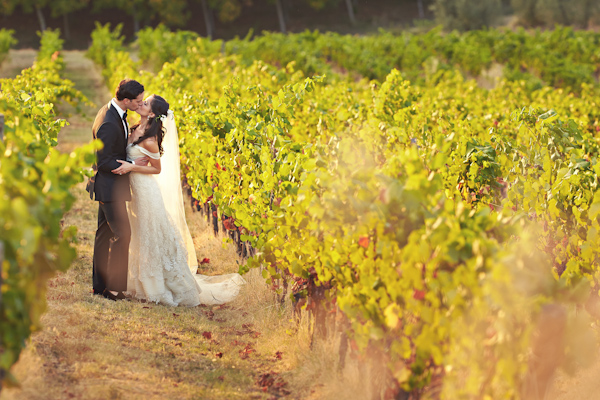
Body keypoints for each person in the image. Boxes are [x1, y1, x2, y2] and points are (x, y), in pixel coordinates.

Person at [111, 94, 244, 306]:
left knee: (151, 234)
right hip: (134, 190)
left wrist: (131, 166)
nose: (141, 103)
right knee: (139, 233)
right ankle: (138, 281)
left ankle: (159, 286)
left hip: (146, 191)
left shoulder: (151, 140)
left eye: (145, 103)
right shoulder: (135, 127)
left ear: (152, 113)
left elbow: (156, 169)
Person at [87, 79, 147, 301]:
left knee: (103, 235)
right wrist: (130, 168)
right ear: (126, 100)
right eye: (137, 101)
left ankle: (99, 286)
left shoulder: (112, 111)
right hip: (109, 188)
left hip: (109, 186)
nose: (140, 104)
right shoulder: (109, 122)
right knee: (123, 235)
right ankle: (114, 289)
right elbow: (104, 162)